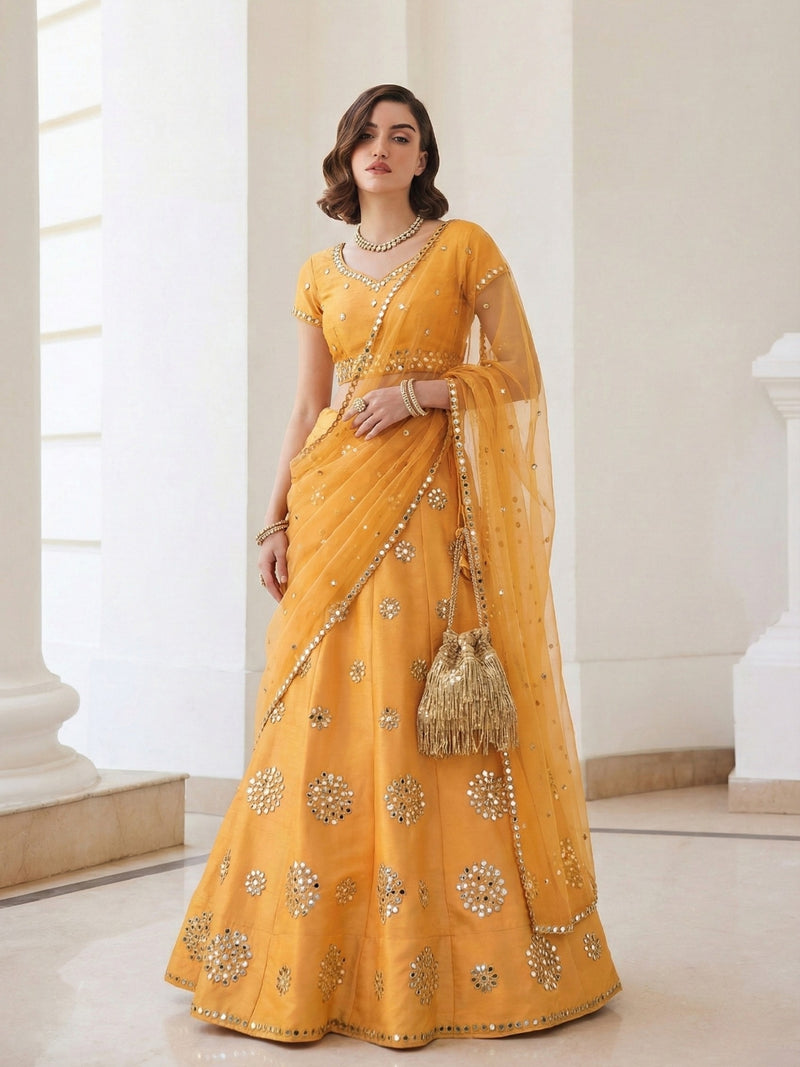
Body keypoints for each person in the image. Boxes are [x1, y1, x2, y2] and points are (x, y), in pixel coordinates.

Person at [165, 84, 621, 1048]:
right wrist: (273, 521)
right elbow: (305, 408)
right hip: (330, 509)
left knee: (424, 712)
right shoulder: (317, 273)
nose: (382, 146)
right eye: (367, 133)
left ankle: (453, 958)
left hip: (429, 514)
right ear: (348, 155)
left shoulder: (465, 249)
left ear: (423, 158)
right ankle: (301, 959)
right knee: (317, 711)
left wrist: (421, 391)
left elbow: (520, 373)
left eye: (401, 134)